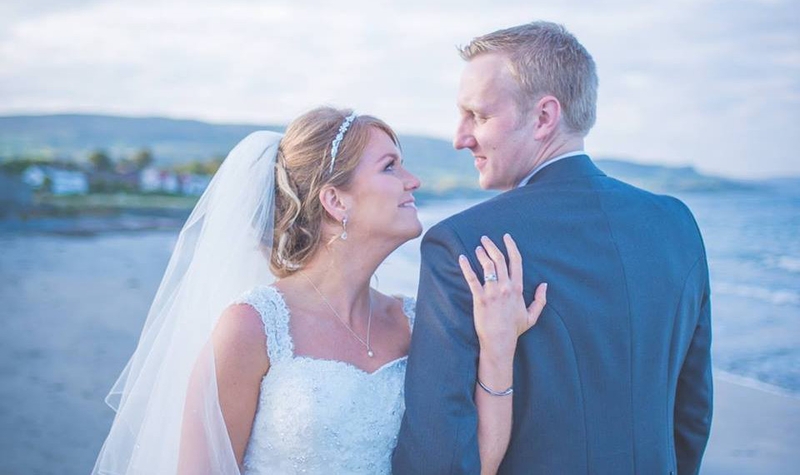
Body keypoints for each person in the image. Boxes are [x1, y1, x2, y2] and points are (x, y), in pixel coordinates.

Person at [92, 106, 547, 474]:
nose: (414, 181)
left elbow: (474, 467)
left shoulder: (414, 323)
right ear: (335, 200)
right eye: (391, 167)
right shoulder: (251, 327)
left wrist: (498, 345)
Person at [393, 21, 713, 475]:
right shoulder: (677, 225)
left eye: (478, 116)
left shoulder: (464, 245)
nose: (459, 137)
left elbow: (440, 453)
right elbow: (692, 412)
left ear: (544, 117)